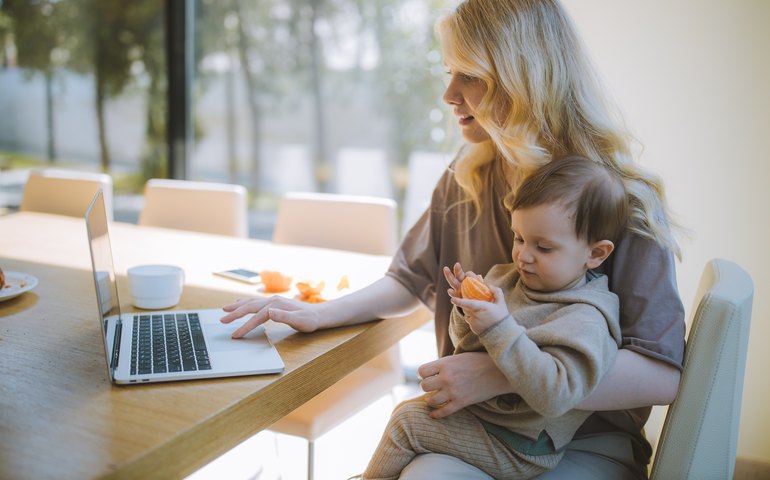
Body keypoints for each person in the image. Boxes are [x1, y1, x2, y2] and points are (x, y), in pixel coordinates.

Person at [220, 0, 685, 478]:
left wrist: (501, 374)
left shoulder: (619, 200)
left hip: (583, 442)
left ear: (524, 79)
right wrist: (320, 313)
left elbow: (661, 374)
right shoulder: (467, 176)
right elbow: (410, 279)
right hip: (481, 424)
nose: (448, 94)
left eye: (471, 76)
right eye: (449, 72)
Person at [362, 156, 627, 480]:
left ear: (596, 253)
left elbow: (556, 396)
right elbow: (466, 344)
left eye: (543, 247)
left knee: (406, 424)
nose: (523, 256)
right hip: (485, 418)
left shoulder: (586, 317)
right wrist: (467, 310)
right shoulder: (508, 278)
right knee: (409, 411)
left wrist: (499, 327)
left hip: (520, 445)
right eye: (519, 238)